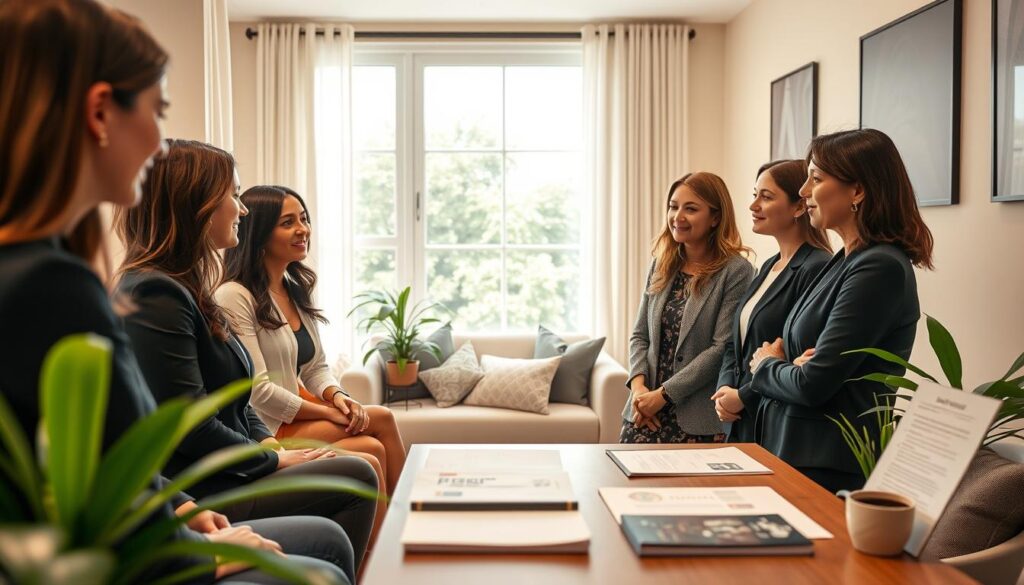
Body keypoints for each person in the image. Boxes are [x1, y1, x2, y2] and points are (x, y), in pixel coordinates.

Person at [0, 1, 354, 583]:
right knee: (324, 568)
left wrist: (182, 509)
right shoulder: (51, 286)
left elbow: (108, 457)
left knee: (328, 543)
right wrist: (195, 554)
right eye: (158, 112)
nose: (160, 143)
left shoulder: (47, 270)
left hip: (153, 525)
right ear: (100, 114)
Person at [114, 139, 378, 572]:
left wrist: (268, 443)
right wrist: (272, 458)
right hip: (205, 484)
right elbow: (192, 424)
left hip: (235, 465)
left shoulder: (190, 287)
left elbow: (239, 393)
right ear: (195, 204)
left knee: (355, 468)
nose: (243, 208)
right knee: (356, 476)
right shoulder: (154, 294)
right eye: (233, 195)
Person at [747, 129, 934, 493]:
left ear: (858, 191)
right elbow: (802, 364)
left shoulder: (879, 267)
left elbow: (813, 383)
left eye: (815, 179)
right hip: (795, 452)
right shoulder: (845, 259)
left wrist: (766, 364)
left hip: (827, 465)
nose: (803, 191)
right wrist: (788, 363)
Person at [217, 185, 406, 537]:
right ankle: (389, 545)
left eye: (303, 219)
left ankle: (394, 538)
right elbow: (257, 391)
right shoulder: (234, 295)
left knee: (375, 438)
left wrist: (338, 396)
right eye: (288, 222)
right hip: (268, 426)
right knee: (374, 437)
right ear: (259, 232)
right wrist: (326, 411)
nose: (302, 229)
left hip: (299, 414)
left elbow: (317, 366)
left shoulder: (293, 287)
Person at [621, 172, 754, 443]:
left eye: (690, 209)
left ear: (715, 217)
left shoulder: (736, 271)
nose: (677, 216)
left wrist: (663, 395)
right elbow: (639, 335)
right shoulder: (661, 263)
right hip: (643, 412)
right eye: (673, 206)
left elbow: (720, 348)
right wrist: (639, 389)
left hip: (696, 418)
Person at [710, 160, 831, 443]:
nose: (753, 206)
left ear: (799, 206)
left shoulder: (816, 266)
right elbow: (735, 342)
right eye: (754, 195)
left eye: (766, 197)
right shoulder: (769, 266)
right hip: (739, 418)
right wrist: (725, 389)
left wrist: (744, 395)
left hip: (770, 416)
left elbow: (797, 354)